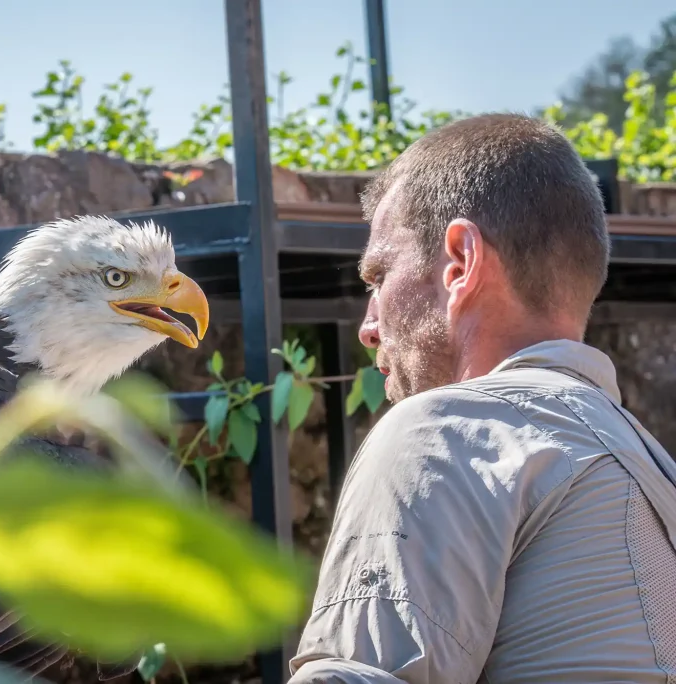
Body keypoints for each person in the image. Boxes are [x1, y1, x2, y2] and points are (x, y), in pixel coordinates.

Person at [288, 113, 676, 683]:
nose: (369, 327)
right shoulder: (648, 462)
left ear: (460, 264)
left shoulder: (445, 429)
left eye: (378, 277)